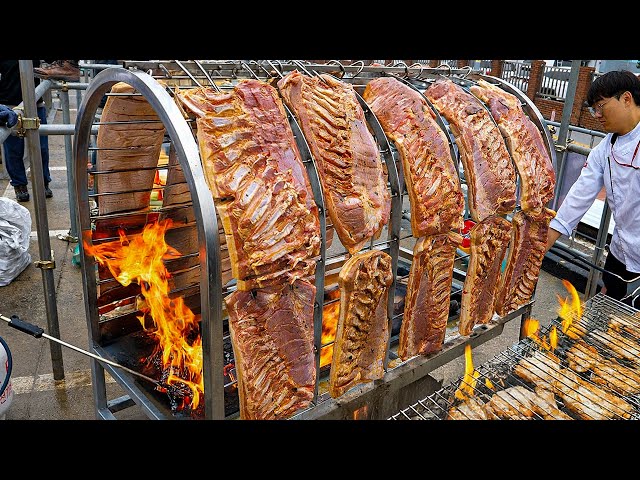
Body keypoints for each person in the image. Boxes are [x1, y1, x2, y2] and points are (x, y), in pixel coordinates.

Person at [545, 70, 640, 308]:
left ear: (626, 99)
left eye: (601, 106)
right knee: (611, 318)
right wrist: (542, 246)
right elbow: (579, 196)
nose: (597, 115)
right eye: (593, 109)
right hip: (619, 256)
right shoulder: (604, 150)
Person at [0, 60, 52, 202]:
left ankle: (43, 182)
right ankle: (20, 185)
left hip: (35, 101)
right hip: (9, 104)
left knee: (41, 148)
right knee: (13, 151)